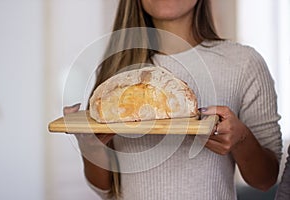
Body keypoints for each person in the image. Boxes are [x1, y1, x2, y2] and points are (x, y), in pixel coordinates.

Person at [63, 0, 282, 199]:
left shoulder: (243, 63)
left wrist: (241, 139)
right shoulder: (116, 76)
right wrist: (90, 147)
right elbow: (107, 189)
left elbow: (266, 180)